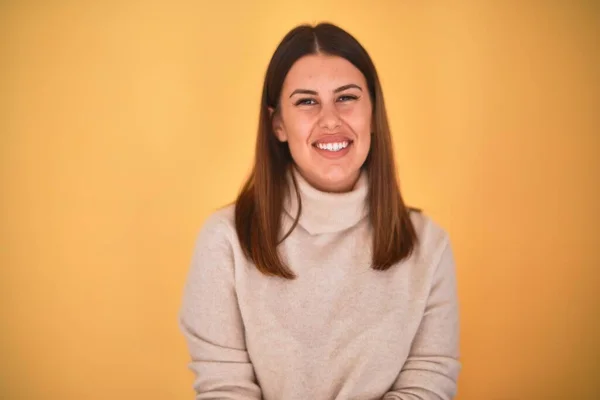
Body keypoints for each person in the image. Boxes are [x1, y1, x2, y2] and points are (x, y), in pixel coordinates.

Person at [178, 22, 460, 400]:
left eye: (346, 97)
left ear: (373, 115)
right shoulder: (225, 241)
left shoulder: (429, 245)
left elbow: (428, 383)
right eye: (306, 101)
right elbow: (224, 389)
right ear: (278, 124)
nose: (330, 120)